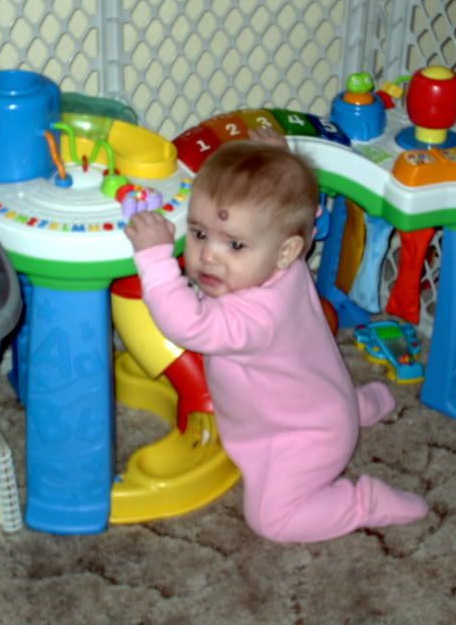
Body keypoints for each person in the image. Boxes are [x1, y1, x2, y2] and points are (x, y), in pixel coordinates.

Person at [124, 136, 428, 543]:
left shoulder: (254, 317)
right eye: (198, 233)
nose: (209, 255)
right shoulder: (285, 264)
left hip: (298, 438)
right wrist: (278, 161)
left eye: (234, 244)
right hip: (323, 398)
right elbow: (294, 216)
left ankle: (364, 502)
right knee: (314, 388)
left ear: (286, 250)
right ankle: (363, 406)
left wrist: (154, 259)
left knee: (273, 521)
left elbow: (186, 324)